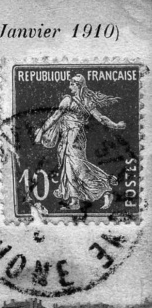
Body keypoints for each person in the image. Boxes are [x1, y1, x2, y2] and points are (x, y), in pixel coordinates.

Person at [34, 74, 126, 211]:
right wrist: (116, 125)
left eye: (71, 83)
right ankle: (74, 201)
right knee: (69, 168)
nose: (69, 86)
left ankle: (105, 190)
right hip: (67, 137)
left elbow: (100, 118)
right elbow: (100, 118)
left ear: (77, 85)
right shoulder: (77, 100)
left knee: (78, 167)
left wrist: (115, 125)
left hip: (74, 137)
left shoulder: (72, 100)